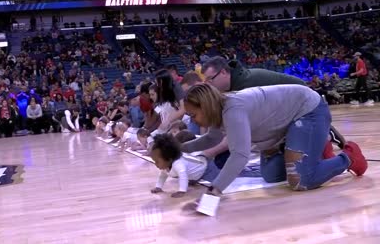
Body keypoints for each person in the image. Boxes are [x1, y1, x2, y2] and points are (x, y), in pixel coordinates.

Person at [183, 84, 367, 197]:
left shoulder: (233, 110)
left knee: (301, 180)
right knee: (271, 175)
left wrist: (215, 190)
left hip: (309, 111)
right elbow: (212, 138)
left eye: (193, 115)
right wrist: (181, 147)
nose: (192, 120)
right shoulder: (219, 110)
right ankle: (316, 147)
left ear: (206, 107)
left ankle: (349, 156)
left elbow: (240, 155)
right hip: (286, 126)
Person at [185, 57, 346, 164]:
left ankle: (326, 138)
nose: (209, 85)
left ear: (225, 73)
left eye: (210, 80)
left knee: (303, 167)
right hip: (290, 105)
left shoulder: (244, 88)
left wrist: (206, 153)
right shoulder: (233, 87)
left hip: (303, 104)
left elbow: (237, 135)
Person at [150, 133, 219, 198]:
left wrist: (181, 191)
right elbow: (162, 176)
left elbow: (183, 175)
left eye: (157, 161)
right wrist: (158, 187)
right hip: (197, 173)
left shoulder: (178, 164)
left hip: (207, 169)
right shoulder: (166, 166)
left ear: (169, 159)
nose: (155, 164)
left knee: (216, 187)